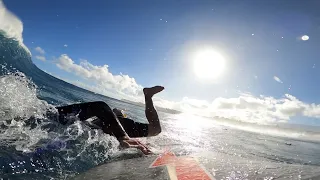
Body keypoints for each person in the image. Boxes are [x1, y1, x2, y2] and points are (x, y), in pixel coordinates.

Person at [56, 86, 164, 155]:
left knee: (155, 129)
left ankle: (148, 96)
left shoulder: (57, 116)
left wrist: (123, 136)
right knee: (155, 129)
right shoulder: (93, 126)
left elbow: (100, 107)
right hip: (113, 125)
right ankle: (148, 96)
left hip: (114, 126)